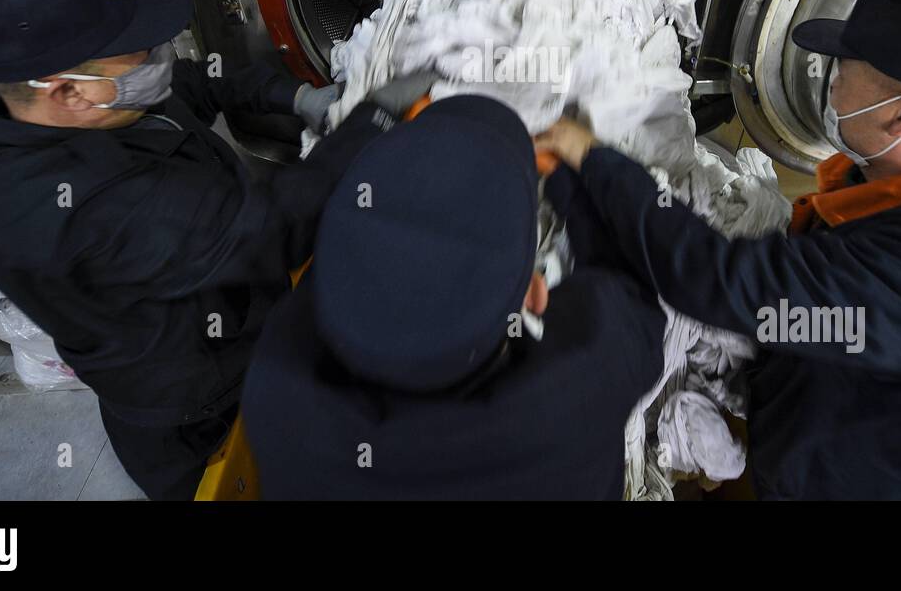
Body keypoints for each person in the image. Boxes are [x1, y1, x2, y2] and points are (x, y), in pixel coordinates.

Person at [0, 0, 419, 499]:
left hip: (237, 326)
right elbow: (268, 234)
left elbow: (196, 85)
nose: (162, 57)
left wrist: (293, 96)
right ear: (68, 91)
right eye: (142, 51)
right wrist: (372, 124)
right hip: (196, 409)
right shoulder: (75, 206)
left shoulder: (96, 104)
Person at [536, 0, 901, 499]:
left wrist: (596, 160)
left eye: (844, 71)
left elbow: (716, 282)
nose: (831, 84)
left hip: (830, 475)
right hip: (825, 397)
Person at [242, 94, 665, 499]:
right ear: (535, 297)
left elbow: (339, 260)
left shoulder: (278, 400)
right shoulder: (577, 397)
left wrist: (391, 160)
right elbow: (637, 295)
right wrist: (570, 187)